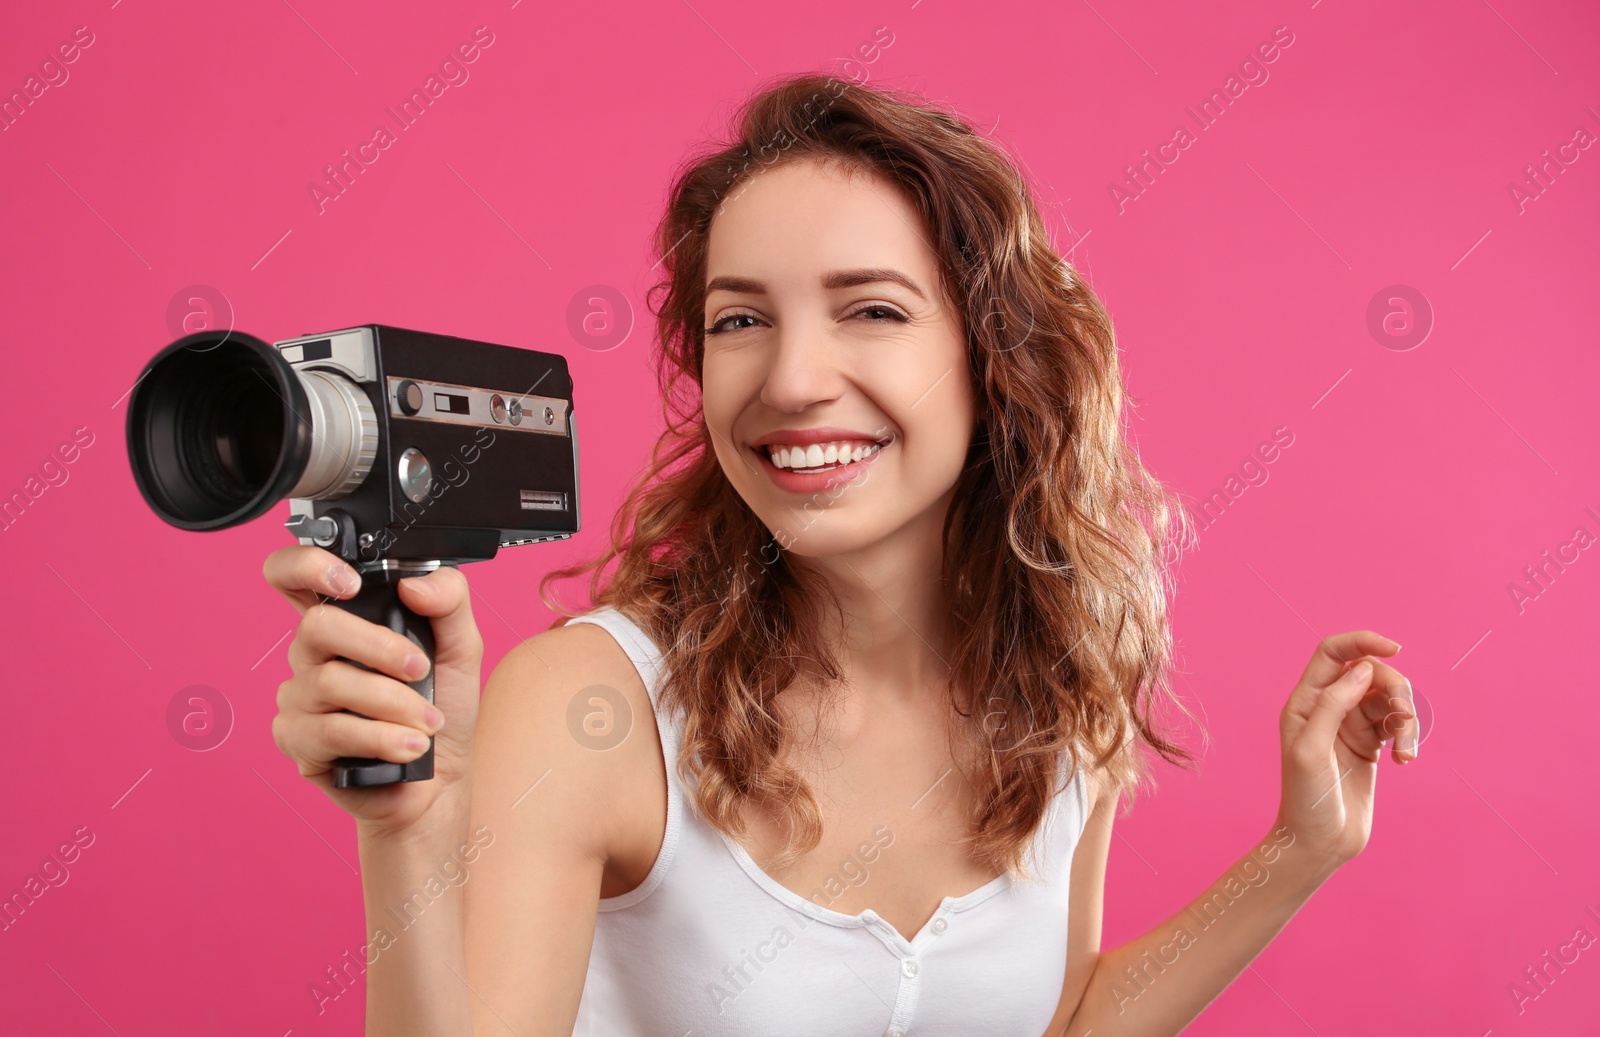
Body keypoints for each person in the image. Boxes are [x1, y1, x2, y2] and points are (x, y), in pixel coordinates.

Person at [263, 71, 1418, 1037]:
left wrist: (1301, 846)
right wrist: (412, 832)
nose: (791, 379)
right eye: (739, 319)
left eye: (869, 309)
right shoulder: (590, 704)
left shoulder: (1064, 684)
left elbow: (1059, 1019)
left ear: (990, 358)